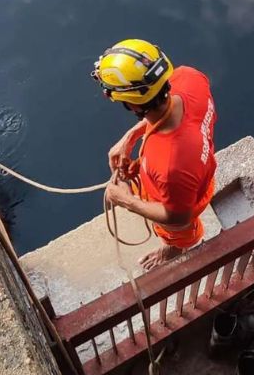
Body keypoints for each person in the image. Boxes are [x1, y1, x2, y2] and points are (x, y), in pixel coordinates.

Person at [92, 39, 217, 270]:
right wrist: (131, 136)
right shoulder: (190, 77)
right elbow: (173, 110)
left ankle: (175, 247)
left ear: (132, 105)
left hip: (182, 195)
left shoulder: (169, 166)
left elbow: (178, 217)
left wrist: (127, 201)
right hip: (198, 169)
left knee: (178, 231)